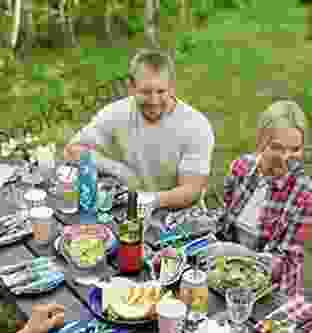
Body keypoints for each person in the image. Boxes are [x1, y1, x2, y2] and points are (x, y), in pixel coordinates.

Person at [63, 48, 215, 211]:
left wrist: (149, 200)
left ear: (172, 88)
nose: (154, 101)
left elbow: (191, 191)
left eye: (161, 91)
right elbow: (71, 151)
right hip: (130, 207)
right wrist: (117, 169)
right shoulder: (116, 113)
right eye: (145, 92)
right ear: (131, 87)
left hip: (179, 217)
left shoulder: (196, 126)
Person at [217, 100, 312, 299]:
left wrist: (233, 253)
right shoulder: (241, 168)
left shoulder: (306, 196)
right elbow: (223, 224)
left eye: (295, 149)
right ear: (260, 142)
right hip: (227, 278)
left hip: (273, 293)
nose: (286, 157)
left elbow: (284, 264)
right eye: (277, 148)